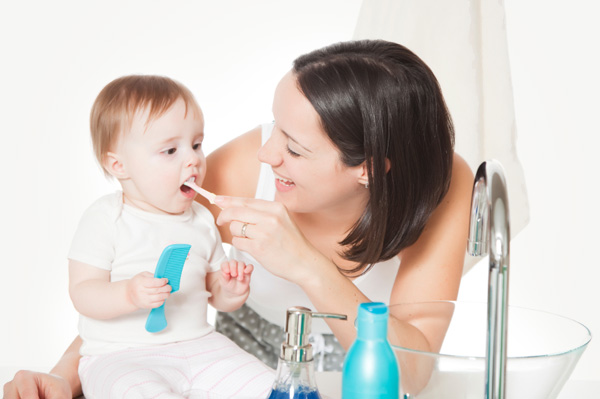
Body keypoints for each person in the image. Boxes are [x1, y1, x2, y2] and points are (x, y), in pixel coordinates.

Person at [4, 40, 473, 398]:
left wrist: (307, 266)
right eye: (273, 126)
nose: (266, 154)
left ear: (367, 168)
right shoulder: (241, 170)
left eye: (292, 146)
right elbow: (141, 277)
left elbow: (412, 370)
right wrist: (64, 377)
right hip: (225, 368)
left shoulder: (445, 186)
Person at [11, 75, 275, 399]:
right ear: (119, 165)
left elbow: (214, 293)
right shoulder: (107, 218)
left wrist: (231, 289)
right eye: (170, 150)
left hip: (201, 345)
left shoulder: (203, 219)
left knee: (272, 387)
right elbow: (83, 293)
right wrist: (129, 295)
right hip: (120, 356)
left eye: (196, 144)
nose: (192, 159)